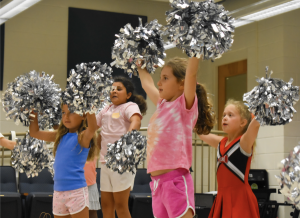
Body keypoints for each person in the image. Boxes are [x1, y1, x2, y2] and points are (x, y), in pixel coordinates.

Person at [137, 57, 214, 218]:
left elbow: (191, 74)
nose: (159, 83)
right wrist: (139, 64)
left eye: (165, 78)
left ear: (182, 84)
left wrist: (194, 51)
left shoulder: (184, 106)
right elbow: (146, 83)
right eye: (160, 78)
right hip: (157, 184)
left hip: (175, 181)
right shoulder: (161, 105)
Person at [29, 104, 99, 218]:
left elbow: (92, 128)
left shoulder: (82, 137)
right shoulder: (60, 136)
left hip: (76, 191)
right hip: (58, 192)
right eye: (63, 113)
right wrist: (33, 111)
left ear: (83, 115)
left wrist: (88, 102)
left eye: (71, 112)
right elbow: (34, 133)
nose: (66, 116)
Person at [197, 99, 260, 218]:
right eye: (224, 115)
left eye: (230, 115)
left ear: (243, 122)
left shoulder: (244, 143)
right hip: (221, 198)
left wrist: (263, 108)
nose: (225, 118)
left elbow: (255, 125)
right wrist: (195, 105)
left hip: (240, 200)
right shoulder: (221, 142)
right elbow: (200, 133)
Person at [96, 76, 147, 218]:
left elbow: (136, 121)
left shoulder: (130, 106)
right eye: (112, 89)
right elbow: (92, 125)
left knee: (120, 205)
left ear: (128, 94)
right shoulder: (106, 108)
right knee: (106, 205)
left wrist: (126, 143)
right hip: (105, 162)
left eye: (119, 89)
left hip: (122, 162)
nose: (114, 91)